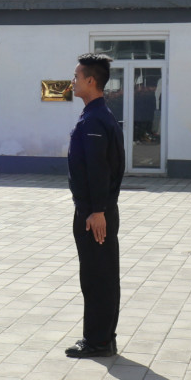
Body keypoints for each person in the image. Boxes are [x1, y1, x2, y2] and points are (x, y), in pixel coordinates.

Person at [66, 53, 124, 358]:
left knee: (97, 276)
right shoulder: (98, 115)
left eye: (77, 77)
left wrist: (97, 211)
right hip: (95, 211)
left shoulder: (95, 120)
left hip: (95, 214)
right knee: (100, 274)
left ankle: (98, 341)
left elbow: (100, 169)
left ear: (91, 80)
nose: (73, 81)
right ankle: (101, 337)